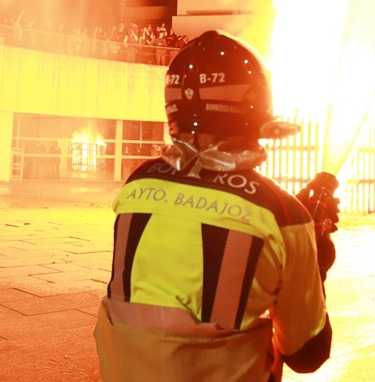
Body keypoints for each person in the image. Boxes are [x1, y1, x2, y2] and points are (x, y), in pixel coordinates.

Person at [94, 30, 338, 382]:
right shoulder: (281, 214)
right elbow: (306, 354)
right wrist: (314, 255)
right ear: (255, 109)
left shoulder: (138, 184)